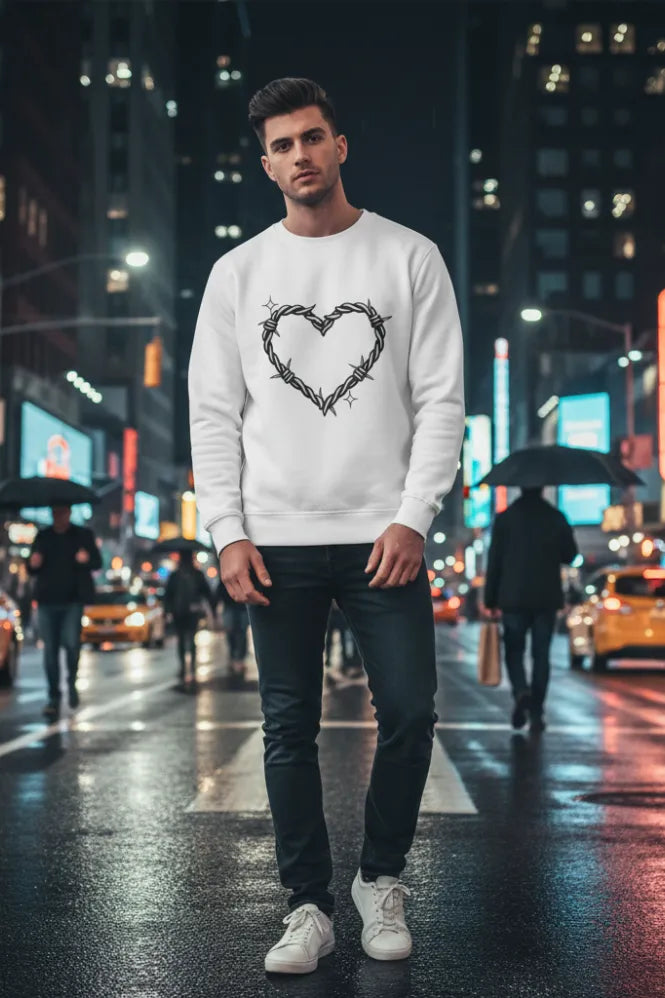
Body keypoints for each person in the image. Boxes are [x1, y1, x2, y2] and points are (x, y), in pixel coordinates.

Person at [189, 78, 464, 974]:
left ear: (339, 145)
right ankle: (306, 904)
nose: (299, 155)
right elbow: (211, 414)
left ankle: (377, 878)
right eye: (280, 145)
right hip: (274, 541)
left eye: (312, 137)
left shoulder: (408, 256)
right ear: (264, 162)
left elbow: (440, 402)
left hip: (384, 536)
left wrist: (412, 516)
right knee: (286, 727)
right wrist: (226, 531)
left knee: (412, 713)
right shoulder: (238, 273)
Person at [484, 487, 578, 733]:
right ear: (542, 489)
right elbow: (571, 555)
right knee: (541, 655)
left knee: (514, 651)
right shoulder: (556, 517)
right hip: (546, 597)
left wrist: (490, 599)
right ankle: (537, 711)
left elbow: (494, 560)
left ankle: (521, 691)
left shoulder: (505, 518)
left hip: (512, 597)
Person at [27, 506, 102, 718]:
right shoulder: (43, 536)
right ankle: (53, 696)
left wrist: (86, 559)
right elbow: (31, 567)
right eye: (55, 513)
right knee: (50, 652)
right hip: (47, 601)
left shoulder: (82, 535)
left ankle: (71, 682)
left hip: (72, 602)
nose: (58, 516)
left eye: (62, 512)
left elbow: (98, 562)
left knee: (71, 645)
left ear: (69, 513)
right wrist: (33, 564)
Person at [164, 552, 214, 689]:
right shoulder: (197, 574)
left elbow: (167, 595)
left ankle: (183, 667)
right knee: (190, 639)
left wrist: (167, 611)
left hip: (178, 612)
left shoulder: (175, 575)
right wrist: (211, 609)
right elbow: (207, 593)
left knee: (182, 639)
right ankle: (191, 667)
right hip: (192, 612)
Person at [216, 577, 249, 680]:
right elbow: (219, 591)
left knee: (240, 634)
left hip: (240, 607)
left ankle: (239, 658)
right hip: (233, 607)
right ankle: (234, 657)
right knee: (233, 633)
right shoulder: (227, 573)